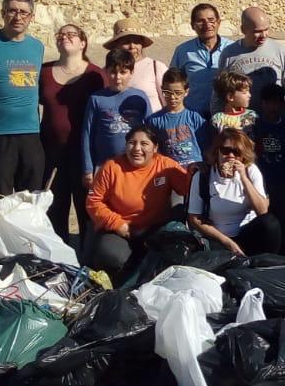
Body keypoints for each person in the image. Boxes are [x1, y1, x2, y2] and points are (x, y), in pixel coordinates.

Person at [84, 126, 195, 278]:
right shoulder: (112, 167)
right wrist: (117, 224)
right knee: (111, 256)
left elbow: (188, 188)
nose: (137, 148)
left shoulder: (165, 165)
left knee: (169, 256)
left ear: (155, 147)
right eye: (131, 143)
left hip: (154, 229)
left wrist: (195, 171)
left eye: (144, 144)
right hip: (120, 230)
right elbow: (93, 201)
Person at [0, 0, 45, 210]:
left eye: (23, 12)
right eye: (12, 11)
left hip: (30, 135)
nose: (18, 17)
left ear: (31, 17)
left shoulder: (37, 47)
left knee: (30, 203)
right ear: (3, 13)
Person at [38, 23, 103, 243]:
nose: (64, 37)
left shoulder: (95, 75)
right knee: (54, 208)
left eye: (71, 34)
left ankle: (87, 260)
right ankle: (57, 261)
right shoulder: (44, 72)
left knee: (86, 208)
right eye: (60, 34)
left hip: (83, 153)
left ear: (83, 42)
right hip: (50, 151)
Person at [187, 129, 282, 256]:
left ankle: (267, 264)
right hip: (218, 235)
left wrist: (243, 177)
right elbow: (194, 218)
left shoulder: (251, 171)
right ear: (218, 151)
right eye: (226, 151)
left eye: (236, 152)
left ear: (243, 155)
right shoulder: (202, 176)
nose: (230, 156)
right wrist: (226, 242)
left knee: (270, 223)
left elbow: (262, 210)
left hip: (247, 231)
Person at [80, 50, 151, 185]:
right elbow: (87, 134)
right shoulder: (97, 99)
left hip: (135, 165)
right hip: (104, 165)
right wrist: (88, 169)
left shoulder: (140, 97)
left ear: (131, 73)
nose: (117, 77)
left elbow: (151, 132)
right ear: (106, 72)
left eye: (123, 72)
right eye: (113, 72)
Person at [252, 82, 285, 250]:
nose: (272, 107)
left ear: (282, 104)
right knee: (264, 216)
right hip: (262, 181)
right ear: (262, 103)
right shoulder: (256, 127)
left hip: (283, 181)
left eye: (276, 102)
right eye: (268, 102)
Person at [220, 6, 285, 98]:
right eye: (257, 31)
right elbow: (220, 91)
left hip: (274, 111)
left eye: (266, 29)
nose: (264, 35)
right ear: (243, 30)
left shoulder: (279, 51)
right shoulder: (229, 53)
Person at [169, 2, 227, 116]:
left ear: (219, 23)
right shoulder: (183, 51)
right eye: (200, 21)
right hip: (193, 114)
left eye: (211, 20)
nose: (207, 25)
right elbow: (173, 81)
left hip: (225, 114)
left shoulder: (231, 48)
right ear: (192, 25)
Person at [145, 68, 207, 165]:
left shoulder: (196, 117)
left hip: (195, 171)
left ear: (186, 92)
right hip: (170, 171)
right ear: (162, 90)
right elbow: (155, 151)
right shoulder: (154, 120)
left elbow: (206, 146)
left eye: (178, 93)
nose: (172, 97)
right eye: (168, 92)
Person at [104, 19, 166, 113]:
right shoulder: (107, 72)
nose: (132, 46)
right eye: (126, 42)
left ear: (141, 45)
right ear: (116, 45)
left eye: (136, 42)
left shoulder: (156, 67)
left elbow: (170, 99)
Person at [209, 69, 254, 134]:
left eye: (249, 91)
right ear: (230, 97)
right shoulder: (217, 120)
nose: (249, 95)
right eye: (245, 92)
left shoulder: (251, 117)